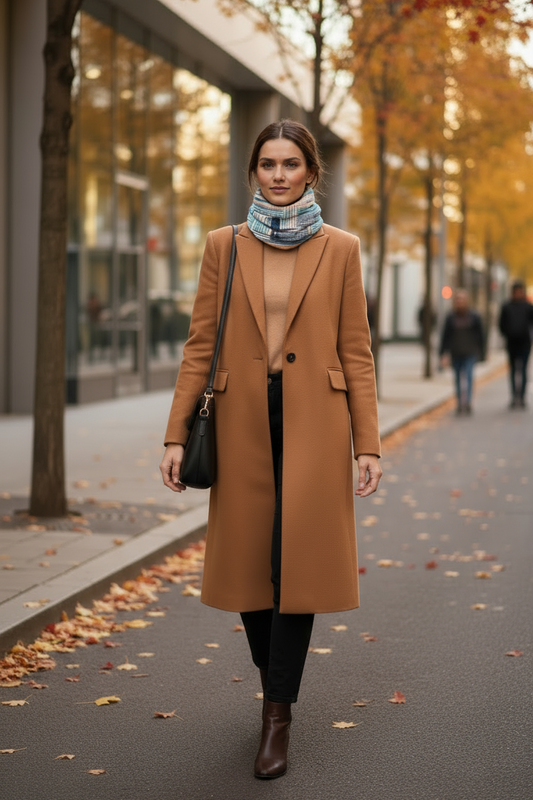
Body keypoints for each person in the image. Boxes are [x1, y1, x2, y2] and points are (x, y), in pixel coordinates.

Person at [159, 119, 382, 780]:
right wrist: (175, 434)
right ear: (253, 171)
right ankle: (274, 679)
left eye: (290, 164)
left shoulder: (341, 249)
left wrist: (367, 443)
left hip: (317, 419)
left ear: (311, 171)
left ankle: (276, 715)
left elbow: (356, 351)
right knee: (251, 564)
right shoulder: (223, 245)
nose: (278, 175)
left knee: (298, 564)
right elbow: (200, 344)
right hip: (239, 420)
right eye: (267, 164)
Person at [439, 289, 484, 414]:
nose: (460, 302)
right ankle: (459, 403)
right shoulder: (450, 317)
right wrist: (443, 353)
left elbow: (480, 335)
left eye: (462, 300)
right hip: (456, 352)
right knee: (458, 379)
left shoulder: (474, 316)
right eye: (458, 300)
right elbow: (445, 337)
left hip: (470, 352)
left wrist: (482, 352)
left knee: (469, 377)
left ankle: (467, 402)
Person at [499, 280, 533, 409]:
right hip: (511, 343)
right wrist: (507, 333)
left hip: (525, 343)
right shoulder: (506, 307)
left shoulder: (528, 307)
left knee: (523, 370)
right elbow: (501, 324)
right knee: (513, 371)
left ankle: (522, 397)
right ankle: (514, 396)